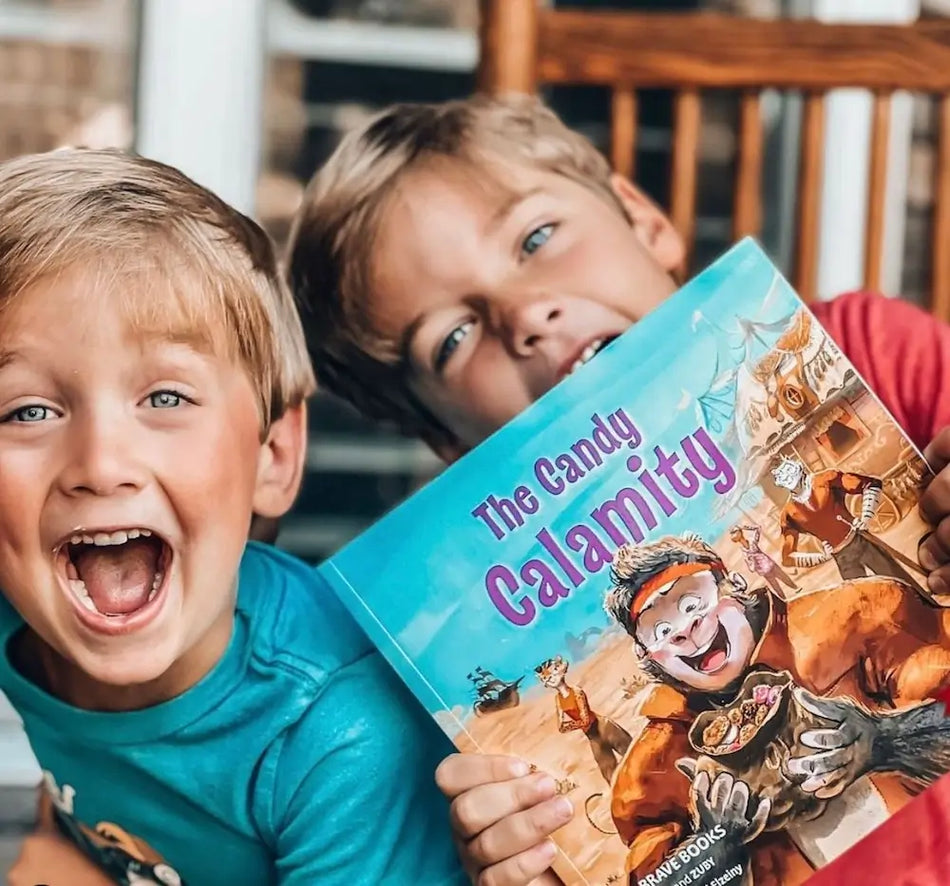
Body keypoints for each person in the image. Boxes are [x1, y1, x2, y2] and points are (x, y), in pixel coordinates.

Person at [287, 93, 950, 886]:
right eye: (453, 339)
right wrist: (523, 860)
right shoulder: (481, 678)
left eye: (536, 237)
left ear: (643, 219)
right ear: (447, 441)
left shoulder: (874, 355)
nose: (524, 316)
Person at [0, 148, 465, 886]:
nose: (99, 464)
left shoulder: (338, 732)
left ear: (273, 455)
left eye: (164, 398)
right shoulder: (22, 605)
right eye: (27, 410)